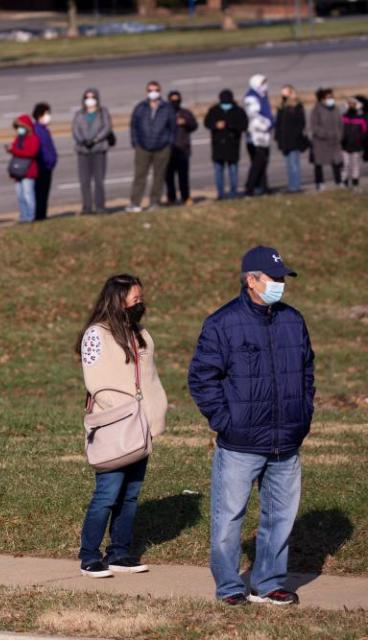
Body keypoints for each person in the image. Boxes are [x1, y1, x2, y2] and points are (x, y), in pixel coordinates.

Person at [188, 246, 314, 607]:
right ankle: (229, 586)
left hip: (286, 441)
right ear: (251, 280)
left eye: (282, 279)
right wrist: (227, 422)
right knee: (229, 519)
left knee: (281, 518)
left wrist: (302, 416)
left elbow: (307, 372)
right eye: (274, 279)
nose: (280, 285)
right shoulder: (222, 323)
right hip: (240, 443)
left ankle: (269, 582)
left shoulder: (293, 320)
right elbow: (202, 379)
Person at [76, 274, 167, 578]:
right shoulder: (96, 334)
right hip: (115, 426)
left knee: (130, 494)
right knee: (107, 494)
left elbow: (150, 377)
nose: (140, 304)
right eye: (135, 299)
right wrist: (122, 410)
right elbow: (96, 381)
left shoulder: (140, 333)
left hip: (140, 426)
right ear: (117, 300)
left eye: (141, 299)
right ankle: (89, 555)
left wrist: (155, 413)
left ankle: (119, 552)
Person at [128, 81, 176, 212]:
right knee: (139, 176)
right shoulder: (140, 107)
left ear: (160, 92)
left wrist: (168, 143)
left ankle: (154, 202)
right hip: (143, 147)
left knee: (159, 176)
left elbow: (173, 128)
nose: (152, 92)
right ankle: (135, 203)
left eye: (155, 90)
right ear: (146, 92)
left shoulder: (167, 108)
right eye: (150, 90)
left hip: (162, 148)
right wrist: (135, 142)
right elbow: (133, 126)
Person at [72, 88, 113, 214]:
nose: (90, 100)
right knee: (84, 181)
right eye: (87, 98)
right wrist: (83, 141)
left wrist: (95, 140)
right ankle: (87, 207)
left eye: (92, 97)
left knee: (99, 180)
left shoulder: (103, 112)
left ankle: (100, 206)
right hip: (83, 151)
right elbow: (75, 130)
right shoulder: (79, 114)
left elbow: (107, 128)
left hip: (98, 150)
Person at [204, 90, 248, 200]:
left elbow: (244, 126)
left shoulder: (238, 111)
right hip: (218, 147)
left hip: (232, 146)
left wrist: (229, 125)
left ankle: (233, 193)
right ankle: (221, 194)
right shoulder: (214, 110)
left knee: (233, 171)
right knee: (218, 171)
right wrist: (215, 125)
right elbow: (207, 123)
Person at [165, 91, 198, 206]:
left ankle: (186, 197)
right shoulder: (165, 113)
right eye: (172, 100)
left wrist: (185, 122)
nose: (175, 102)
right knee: (169, 177)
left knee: (183, 176)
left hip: (183, 148)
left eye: (177, 100)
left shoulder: (185, 113)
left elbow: (194, 125)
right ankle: (171, 198)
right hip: (168, 149)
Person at [243, 74, 274, 197]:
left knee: (264, 163)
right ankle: (249, 188)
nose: (265, 86)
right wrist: (266, 124)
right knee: (257, 163)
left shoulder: (263, 96)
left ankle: (264, 187)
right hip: (256, 136)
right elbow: (253, 116)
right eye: (263, 83)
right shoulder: (251, 98)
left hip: (264, 136)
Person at [274, 85, 307, 194]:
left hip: (294, 140)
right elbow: (278, 123)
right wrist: (278, 137)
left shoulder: (297, 106)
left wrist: (295, 135)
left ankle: (295, 187)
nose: (283, 94)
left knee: (294, 164)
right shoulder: (281, 107)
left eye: (286, 92)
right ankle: (291, 185)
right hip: (284, 141)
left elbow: (301, 123)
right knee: (288, 165)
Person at [309, 88, 344, 191]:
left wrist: (339, 135)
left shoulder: (336, 109)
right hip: (321, 143)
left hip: (335, 141)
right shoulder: (316, 110)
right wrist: (326, 134)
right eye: (329, 97)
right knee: (319, 163)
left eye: (332, 97)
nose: (331, 99)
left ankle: (339, 182)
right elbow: (314, 127)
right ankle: (320, 183)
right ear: (322, 99)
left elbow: (340, 124)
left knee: (337, 162)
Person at [7, 114, 40, 223]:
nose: (19, 130)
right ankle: (23, 216)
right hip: (18, 171)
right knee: (20, 196)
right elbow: (16, 148)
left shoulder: (33, 138)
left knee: (28, 194)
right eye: (17, 127)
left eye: (21, 127)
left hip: (29, 171)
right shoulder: (19, 138)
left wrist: (14, 150)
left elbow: (30, 153)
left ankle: (31, 216)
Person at [31, 103, 58, 221]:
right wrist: (48, 162)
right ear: (39, 115)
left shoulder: (44, 129)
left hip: (47, 166)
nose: (48, 116)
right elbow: (41, 149)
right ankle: (39, 216)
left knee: (44, 193)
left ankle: (42, 215)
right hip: (41, 167)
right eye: (46, 114)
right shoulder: (37, 130)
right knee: (40, 194)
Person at [341, 97, 366, 189]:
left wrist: (360, 140)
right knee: (345, 165)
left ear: (357, 106)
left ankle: (355, 183)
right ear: (347, 105)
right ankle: (344, 183)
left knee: (355, 165)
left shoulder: (361, 119)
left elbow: (365, 132)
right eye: (350, 103)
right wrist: (342, 140)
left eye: (353, 104)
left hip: (357, 146)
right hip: (345, 146)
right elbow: (340, 130)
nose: (351, 105)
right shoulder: (343, 117)